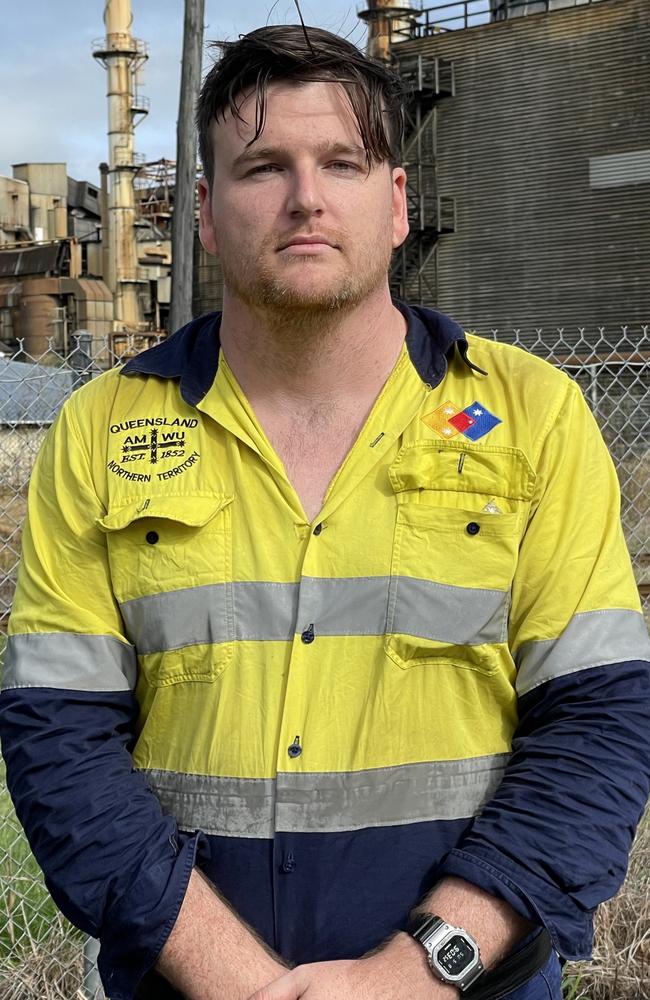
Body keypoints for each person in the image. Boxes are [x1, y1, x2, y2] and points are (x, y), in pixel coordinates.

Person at [1, 23, 649, 1000]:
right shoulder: (102, 430)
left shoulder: (528, 414)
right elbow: (57, 730)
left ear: (393, 203)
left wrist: (419, 967)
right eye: (264, 168)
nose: (305, 197)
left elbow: (597, 720)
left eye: (340, 162)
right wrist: (234, 980)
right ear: (207, 215)